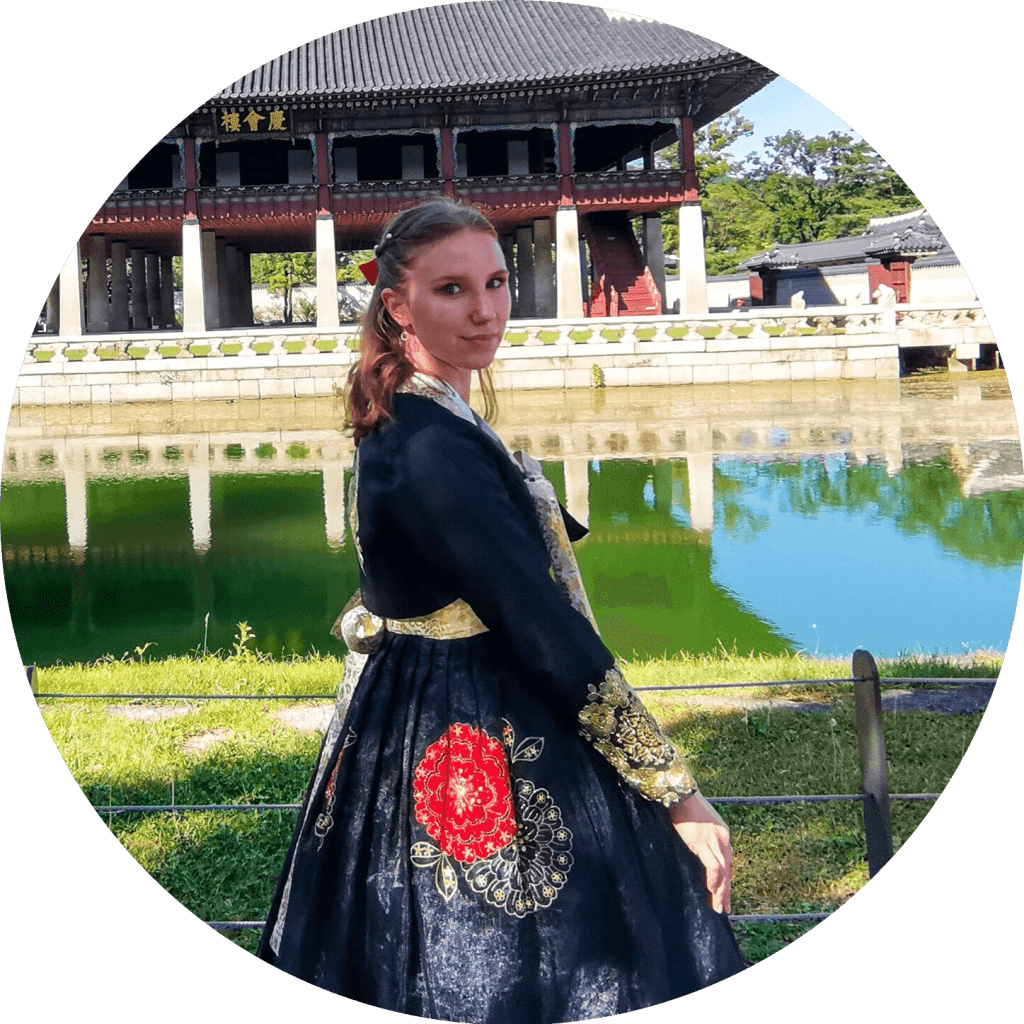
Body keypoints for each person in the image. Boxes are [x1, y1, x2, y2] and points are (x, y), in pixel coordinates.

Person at [257, 198, 745, 1022]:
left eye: (495, 283)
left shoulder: (419, 411)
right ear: (397, 305)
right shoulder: (430, 445)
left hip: (419, 692)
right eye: (452, 290)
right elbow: (541, 627)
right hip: (464, 709)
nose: (485, 311)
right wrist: (673, 789)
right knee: (507, 961)